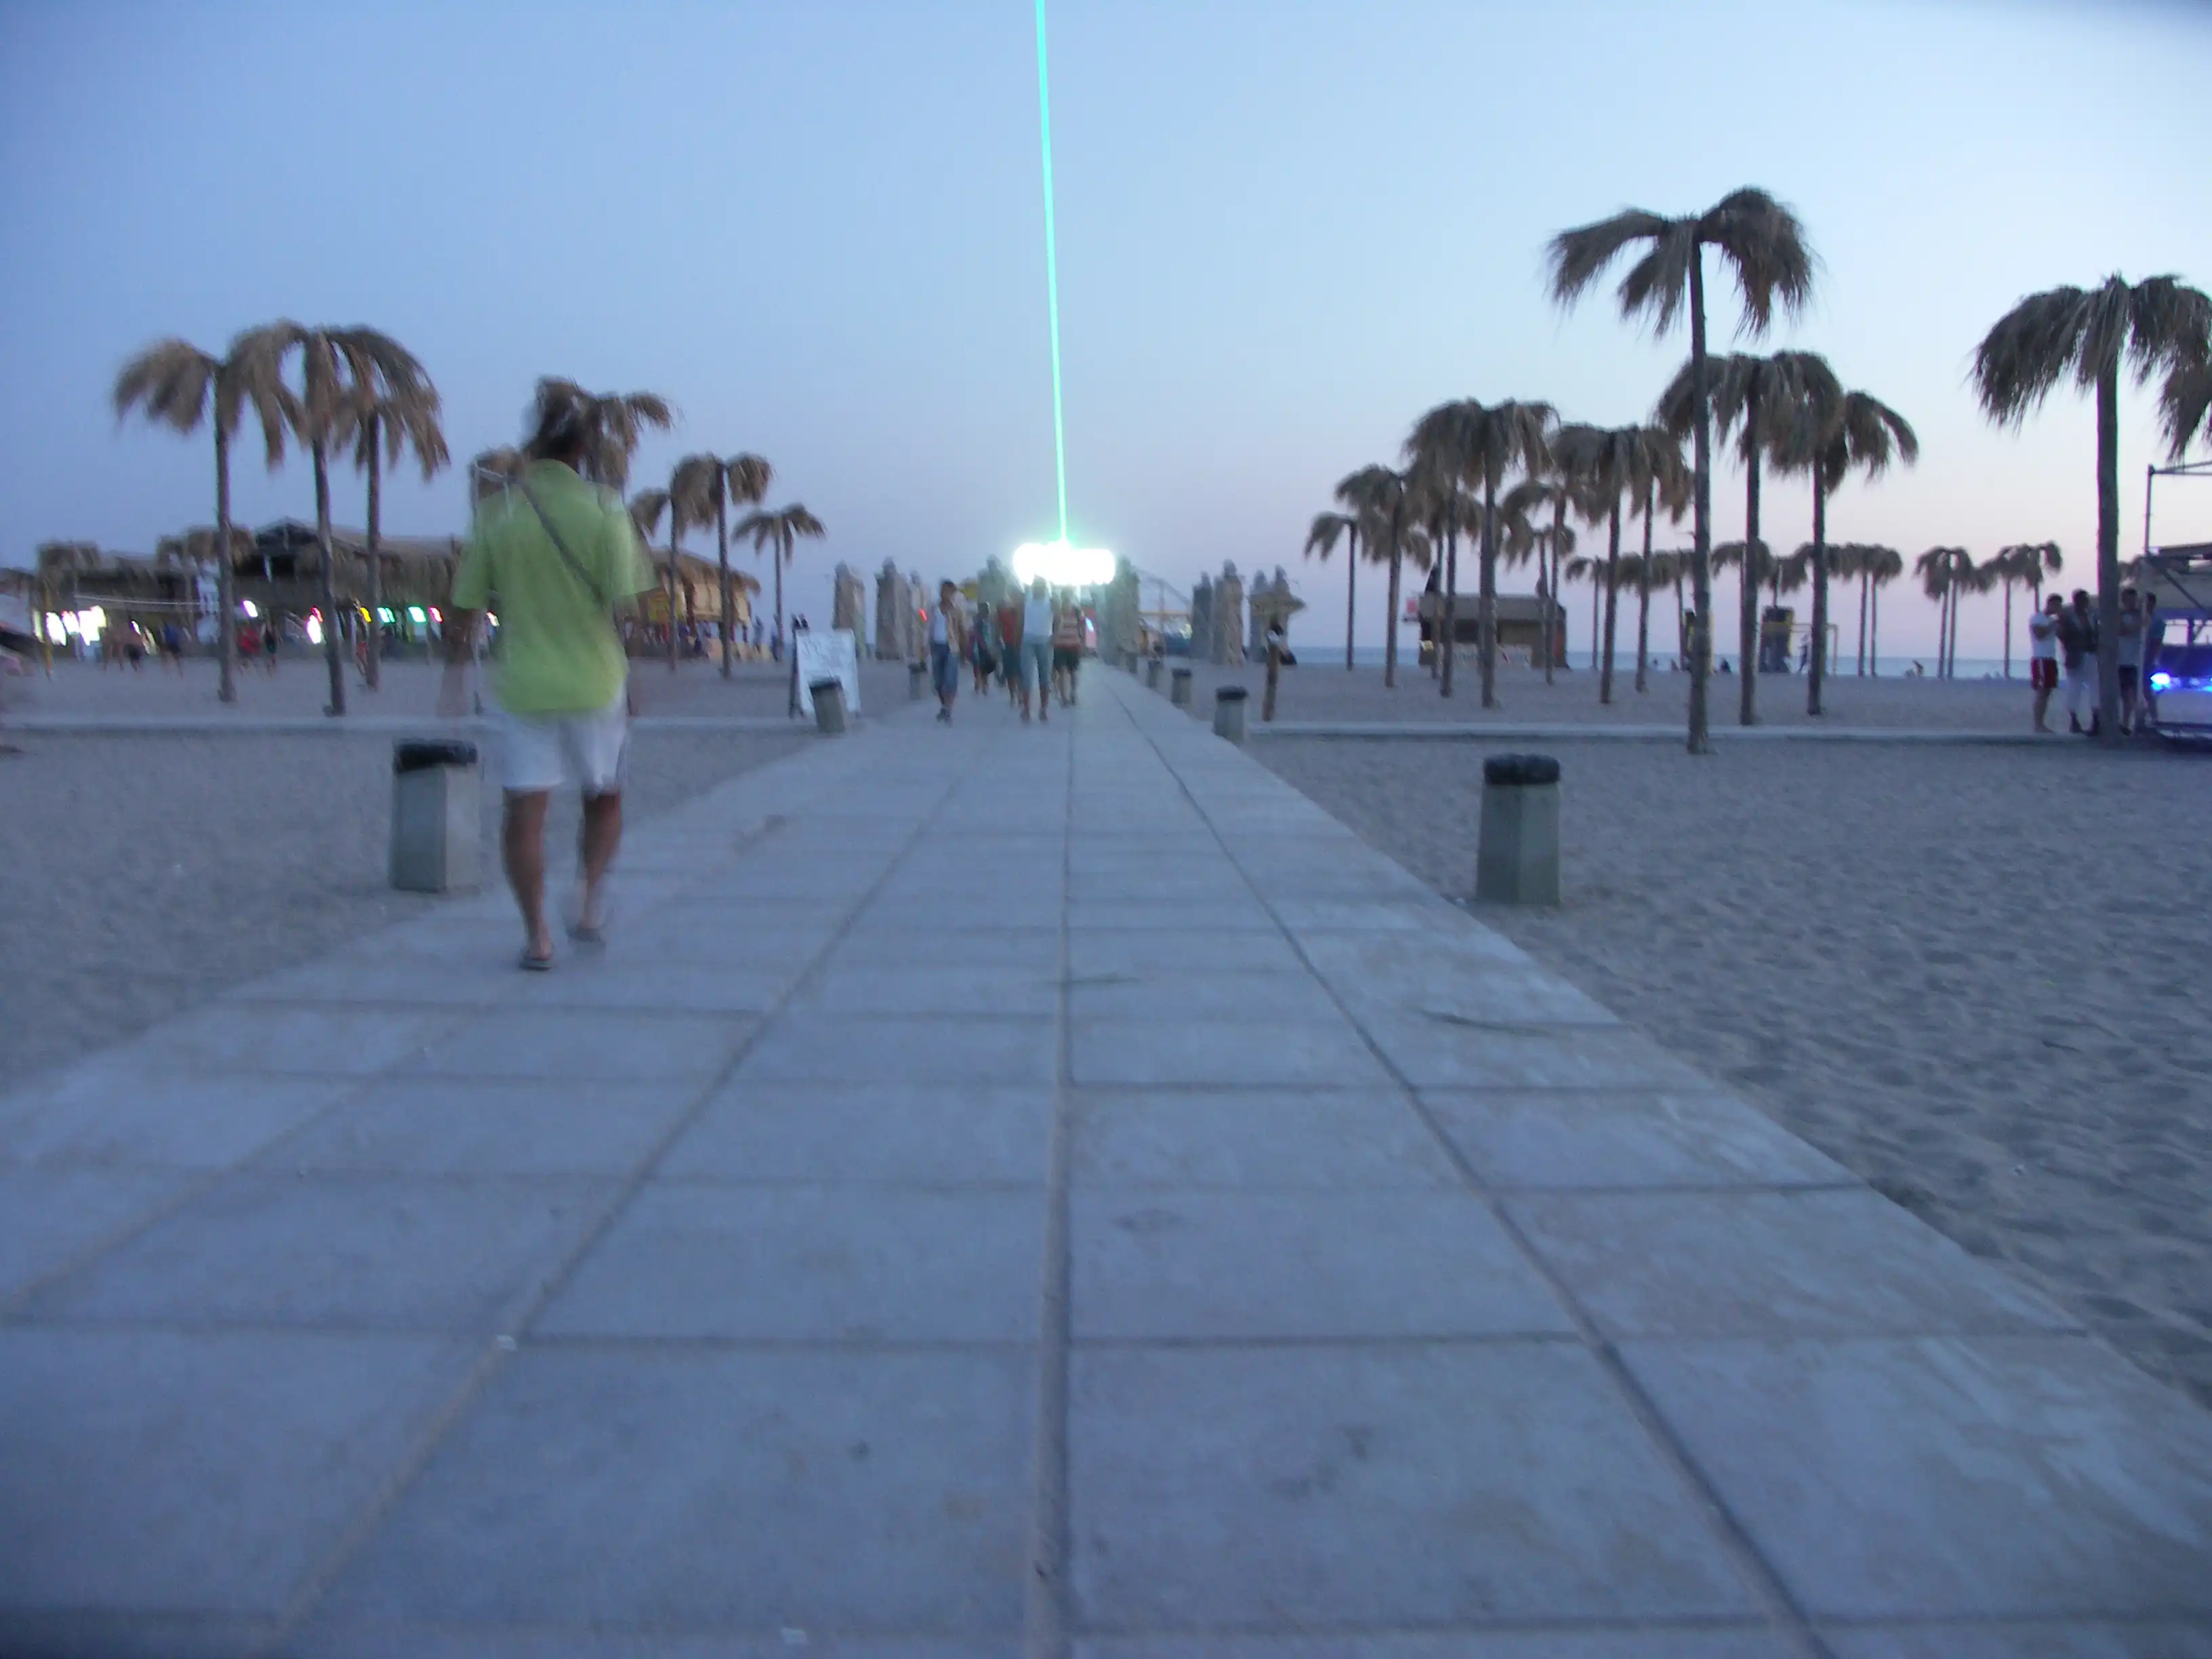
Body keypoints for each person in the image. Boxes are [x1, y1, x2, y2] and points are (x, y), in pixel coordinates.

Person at [438, 388, 655, 971]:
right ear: (582, 450)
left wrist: (455, 675)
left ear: (533, 446)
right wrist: (635, 673)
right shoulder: (606, 510)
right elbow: (629, 609)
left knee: (524, 813)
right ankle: (586, 897)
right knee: (604, 797)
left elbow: (465, 606)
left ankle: (537, 936)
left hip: (522, 684)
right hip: (595, 682)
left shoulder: (497, 514)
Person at [2058, 589, 2097, 735]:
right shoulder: (2068, 617)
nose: (2085, 603)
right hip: (2075, 656)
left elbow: (2095, 633)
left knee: (2095, 687)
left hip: (2091, 654)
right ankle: (2074, 720)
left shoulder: (2091, 616)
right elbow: (2062, 635)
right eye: (2083, 600)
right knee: (2075, 688)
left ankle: (2096, 719)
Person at [928, 579, 966, 722]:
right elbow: (927, 626)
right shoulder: (933, 609)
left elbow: (963, 630)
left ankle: (948, 708)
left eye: (946, 590)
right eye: (941, 590)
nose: (942, 593)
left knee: (950, 680)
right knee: (938, 681)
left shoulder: (957, 611)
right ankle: (944, 706)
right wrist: (925, 645)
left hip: (952, 647)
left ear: (952, 593)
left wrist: (964, 651)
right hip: (936, 646)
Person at [1019, 576, 1054, 724]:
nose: (1037, 590)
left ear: (1045, 588)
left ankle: (1043, 709)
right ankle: (1026, 709)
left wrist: (1056, 635)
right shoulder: (1026, 599)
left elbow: (1059, 617)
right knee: (1026, 676)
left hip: (1045, 640)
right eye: (1036, 587)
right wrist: (1017, 638)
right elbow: (1020, 618)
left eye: (1041, 587)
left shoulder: (1051, 602)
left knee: (1045, 676)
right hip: (1028, 640)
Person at [2028, 593, 2061, 733]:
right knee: (2041, 692)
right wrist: (2052, 625)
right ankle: (2038, 724)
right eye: (2056, 605)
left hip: (2051, 658)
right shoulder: (2037, 618)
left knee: (2047, 692)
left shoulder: (2053, 620)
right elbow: (2039, 635)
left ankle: (2041, 723)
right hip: (2041, 658)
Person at [2114, 587, 2144, 735]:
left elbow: (2127, 630)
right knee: (2123, 694)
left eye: (2132, 599)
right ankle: (2123, 723)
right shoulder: (2119, 615)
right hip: (2120, 660)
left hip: (2134, 661)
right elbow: (2118, 630)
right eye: (2127, 599)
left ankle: (2130, 722)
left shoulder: (2139, 616)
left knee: (2133, 694)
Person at [1051, 593, 1084, 706]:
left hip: (1074, 646)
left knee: (1073, 672)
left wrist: (1083, 643)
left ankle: (1073, 692)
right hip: (1060, 646)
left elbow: (1082, 628)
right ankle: (1064, 698)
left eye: (1068, 599)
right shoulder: (1057, 612)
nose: (1066, 601)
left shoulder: (1077, 612)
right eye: (1064, 598)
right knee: (1062, 671)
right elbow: (1052, 627)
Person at [2142, 592, 2165, 729]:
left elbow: (2157, 643)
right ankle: (2145, 714)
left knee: (2146, 688)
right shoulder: (2140, 618)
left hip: (2148, 658)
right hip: (2137, 657)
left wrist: (2154, 660)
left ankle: (2153, 716)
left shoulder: (2157, 621)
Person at [998, 595, 1023, 705]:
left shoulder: (1024, 615)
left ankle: (1021, 694)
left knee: (1021, 671)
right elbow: (999, 628)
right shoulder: (1005, 614)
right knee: (1010, 672)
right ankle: (1013, 695)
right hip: (1008, 645)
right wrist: (999, 641)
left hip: (1021, 646)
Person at [970, 598, 999, 693]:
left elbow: (993, 632)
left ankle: (984, 683)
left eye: (987, 608)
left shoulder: (990, 620)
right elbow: (976, 633)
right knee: (979, 665)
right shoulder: (978, 620)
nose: (986, 610)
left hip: (988, 645)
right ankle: (980, 683)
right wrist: (982, 643)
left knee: (986, 665)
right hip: (979, 646)